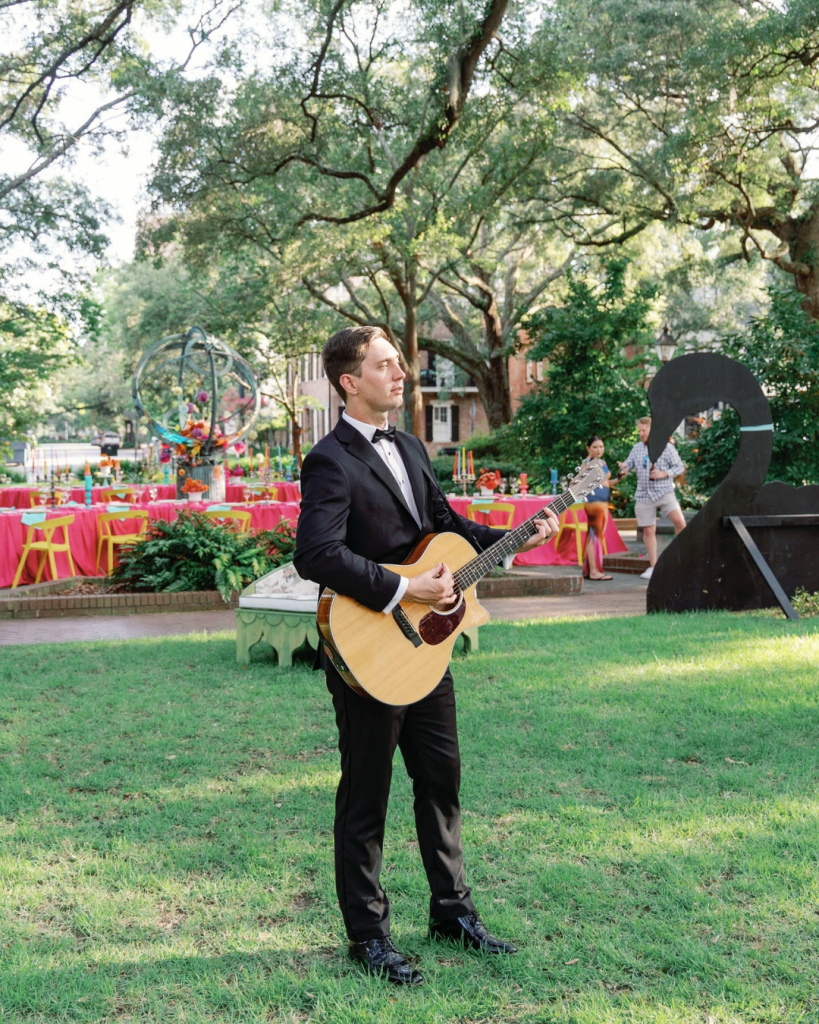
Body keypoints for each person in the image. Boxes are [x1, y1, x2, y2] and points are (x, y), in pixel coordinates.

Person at [293, 325, 559, 986]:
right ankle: (368, 937)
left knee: (441, 782)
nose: (400, 374)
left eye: (398, 363)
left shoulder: (412, 445)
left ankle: (452, 914)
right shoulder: (328, 459)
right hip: (367, 649)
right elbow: (316, 554)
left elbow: (448, 529)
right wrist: (404, 587)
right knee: (366, 796)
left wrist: (517, 536)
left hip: (426, 654)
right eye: (385, 365)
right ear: (350, 381)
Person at [618, 416, 686, 580]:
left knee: (680, 523)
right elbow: (628, 464)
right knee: (648, 530)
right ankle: (654, 567)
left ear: (652, 430)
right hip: (644, 494)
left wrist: (664, 473)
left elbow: (680, 467)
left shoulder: (666, 447)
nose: (641, 433)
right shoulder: (637, 448)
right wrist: (623, 468)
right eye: (639, 431)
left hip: (664, 491)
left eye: (644, 430)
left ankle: (680, 559)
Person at [581, 435, 613, 581]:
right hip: (594, 502)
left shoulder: (602, 462)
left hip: (603, 502)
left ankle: (590, 570)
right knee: (594, 535)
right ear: (588, 448)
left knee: (596, 535)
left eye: (601, 447)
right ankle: (594, 571)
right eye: (595, 447)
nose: (599, 450)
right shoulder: (587, 463)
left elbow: (606, 483)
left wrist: (619, 477)